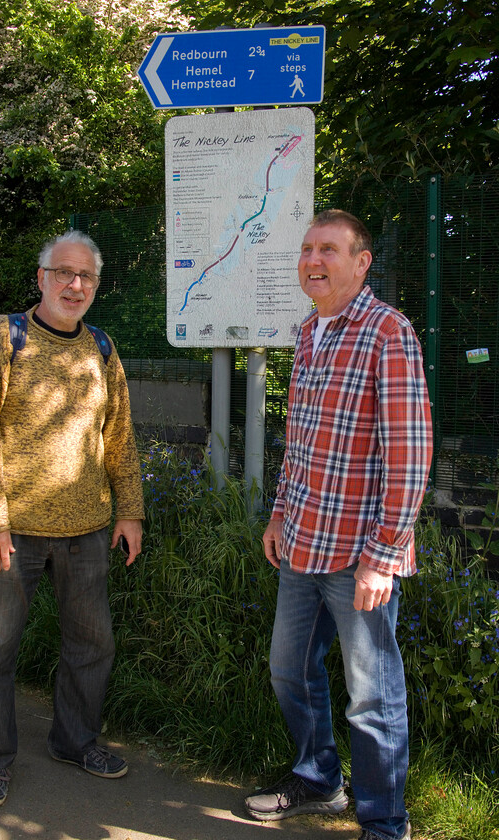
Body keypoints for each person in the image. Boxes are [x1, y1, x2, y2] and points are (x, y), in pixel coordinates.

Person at [244, 210, 433, 840]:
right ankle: (320, 780)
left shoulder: (388, 332)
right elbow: (299, 443)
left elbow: (409, 454)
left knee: (372, 695)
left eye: (329, 249)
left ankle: (385, 822)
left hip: (359, 552)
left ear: (361, 261)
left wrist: (385, 554)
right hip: (302, 542)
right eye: (306, 249)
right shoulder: (307, 332)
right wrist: (278, 513)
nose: (313, 260)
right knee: (288, 671)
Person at [0, 230, 144, 808]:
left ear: (96, 286)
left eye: (85, 276)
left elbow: (120, 440)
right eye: (63, 272)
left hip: (87, 530)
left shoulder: (102, 350)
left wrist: (130, 511)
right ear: (41, 278)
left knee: (92, 644)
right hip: (12, 534)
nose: (74, 284)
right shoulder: (2, 337)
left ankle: (75, 740)